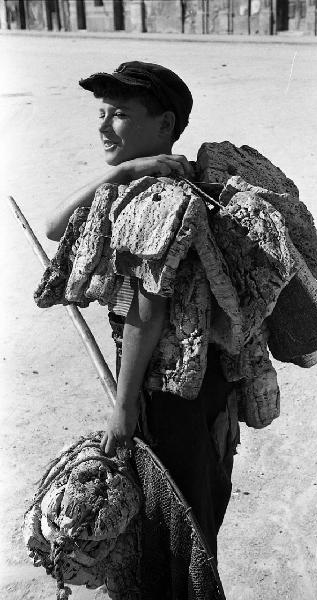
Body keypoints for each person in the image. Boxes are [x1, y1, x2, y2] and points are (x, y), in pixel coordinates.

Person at [45, 61, 237, 560]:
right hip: (206, 384)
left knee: (174, 523)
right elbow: (53, 226)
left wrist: (124, 405)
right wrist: (124, 170)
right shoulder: (174, 182)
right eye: (102, 114)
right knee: (193, 505)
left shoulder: (159, 200)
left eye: (121, 114)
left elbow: (144, 310)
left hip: (167, 387)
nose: (104, 127)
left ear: (165, 124)